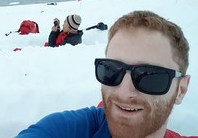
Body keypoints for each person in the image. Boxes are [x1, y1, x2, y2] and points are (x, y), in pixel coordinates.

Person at [16, 10, 195, 138]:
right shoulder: (70, 129)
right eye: (111, 70)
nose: (123, 92)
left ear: (181, 89)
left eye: (149, 76)